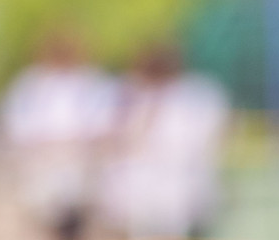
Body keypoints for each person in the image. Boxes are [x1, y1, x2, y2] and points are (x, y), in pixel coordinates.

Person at [97, 43, 229, 240]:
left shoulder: (192, 97)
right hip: (142, 189)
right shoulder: (130, 95)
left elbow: (193, 145)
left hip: (174, 187)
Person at [0, 32, 116, 240]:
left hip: (81, 168)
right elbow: (19, 128)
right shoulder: (31, 84)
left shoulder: (90, 82)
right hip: (43, 168)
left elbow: (102, 125)